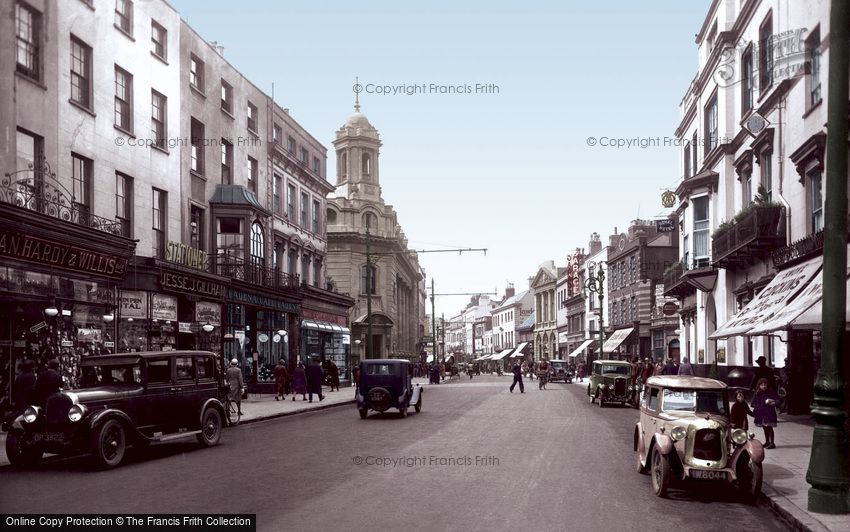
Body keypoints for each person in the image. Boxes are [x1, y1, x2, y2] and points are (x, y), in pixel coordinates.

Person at [752, 378, 780, 448]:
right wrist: (761, 404)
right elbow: (753, 403)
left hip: (769, 413)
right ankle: (767, 441)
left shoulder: (771, 392)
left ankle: (772, 443)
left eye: (765, 384)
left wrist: (773, 402)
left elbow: (778, 400)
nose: (764, 386)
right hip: (761, 413)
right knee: (765, 428)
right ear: (759, 385)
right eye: (762, 385)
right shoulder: (757, 393)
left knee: (769, 427)